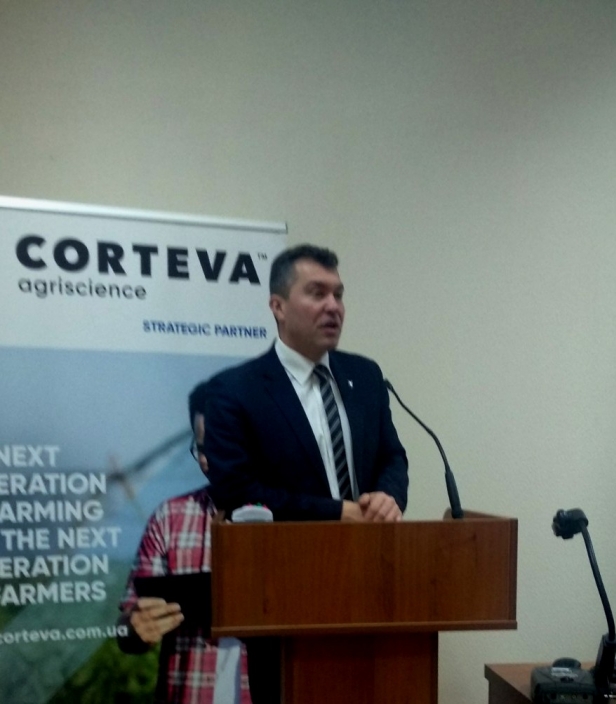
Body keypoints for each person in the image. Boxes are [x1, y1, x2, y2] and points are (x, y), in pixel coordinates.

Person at [204, 243, 409, 523]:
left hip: (371, 544)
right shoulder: (234, 390)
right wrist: (336, 512)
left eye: (338, 295)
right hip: (284, 548)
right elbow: (235, 491)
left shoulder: (365, 376)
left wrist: (387, 497)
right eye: (317, 294)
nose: (333, 306)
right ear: (278, 307)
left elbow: (392, 457)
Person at [117, 382, 251, 704]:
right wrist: (134, 628)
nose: (211, 459)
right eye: (202, 448)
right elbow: (126, 627)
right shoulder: (169, 518)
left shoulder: (299, 517)